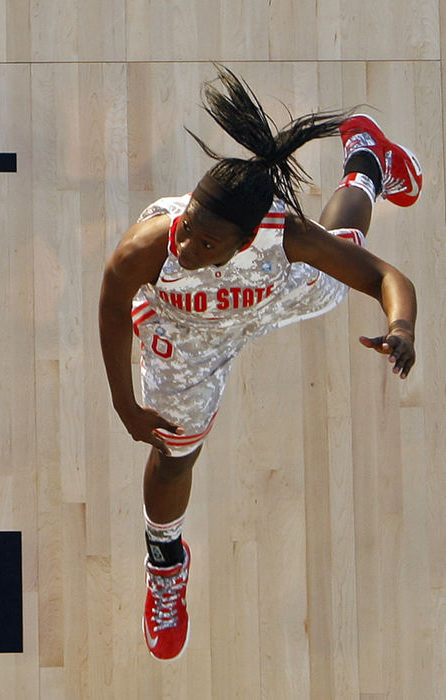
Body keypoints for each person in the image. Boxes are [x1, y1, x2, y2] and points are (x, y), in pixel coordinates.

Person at [98, 67, 420, 661]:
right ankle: (165, 561)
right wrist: (124, 402)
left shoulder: (282, 234)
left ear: (247, 239)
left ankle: (367, 160)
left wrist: (401, 327)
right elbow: (113, 308)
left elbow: (384, 276)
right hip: (185, 330)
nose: (187, 246)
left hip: (267, 295)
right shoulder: (148, 247)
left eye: (206, 243)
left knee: (340, 263)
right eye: (188, 227)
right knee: (174, 452)